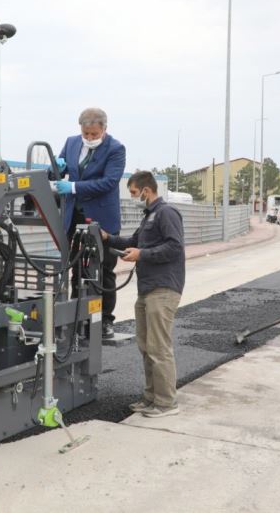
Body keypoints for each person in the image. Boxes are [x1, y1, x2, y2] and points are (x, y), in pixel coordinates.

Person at [102, 171, 185, 418]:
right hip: (147, 289)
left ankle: (166, 403)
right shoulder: (148, 216)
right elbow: (133, 241)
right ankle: (151, 398)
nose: (133, 197)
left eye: (134, 193)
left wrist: (142, 255)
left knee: (159, 348)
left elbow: (174, 246)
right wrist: (108, 238)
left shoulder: (166, 213)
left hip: (163, 288)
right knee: (147, 347)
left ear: (146, 191)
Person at [57, 107, 125, 339]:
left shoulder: (115, 149)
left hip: (102, 218)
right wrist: (56, 168)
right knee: (77, 268)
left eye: (94, 134)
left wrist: (74, 186)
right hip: (74, 217)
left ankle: (105, 320)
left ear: (104, 129)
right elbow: (59, 170)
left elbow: (109, 182)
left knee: (104, 270)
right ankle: (79, 318)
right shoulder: (71, 143)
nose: (89, 138)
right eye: (86, 134)